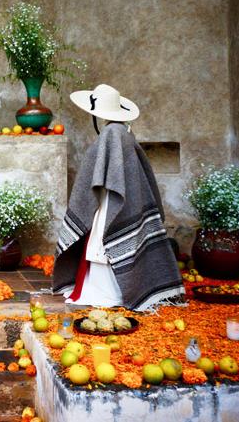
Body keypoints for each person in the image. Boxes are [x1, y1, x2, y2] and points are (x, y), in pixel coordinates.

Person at [52, 84, 184, 311]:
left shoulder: (111, 134)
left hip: (109, 202)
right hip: (114, 200)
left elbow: (101, 176)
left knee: (104, 246)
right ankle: (116, 289)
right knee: (107, 247)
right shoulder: (123, 132)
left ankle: (107, 293)